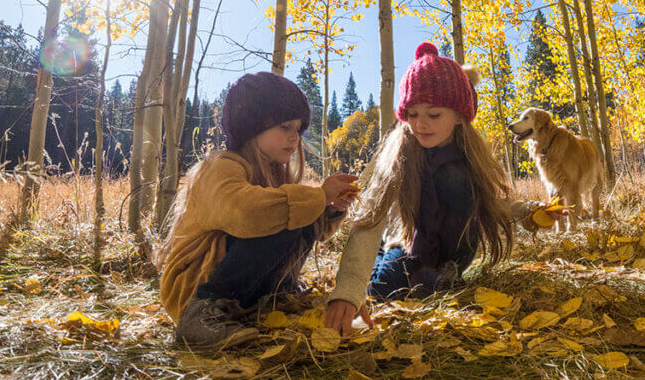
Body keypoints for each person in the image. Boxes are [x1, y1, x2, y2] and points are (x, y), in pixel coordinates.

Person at [324, 42, 538, 335]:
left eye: (433, 114)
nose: (421, 124)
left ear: (461, 115)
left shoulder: (470, 156)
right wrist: (349, 290)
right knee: (384, 289)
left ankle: (445, 274)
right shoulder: (397, 153)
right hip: (406, 243)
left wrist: (530, 213)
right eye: (412, 114)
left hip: (453, 254)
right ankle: (388, 265)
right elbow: (369, 220)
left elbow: (494, 202)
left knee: (456, 179)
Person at [159, 71, 359, 350]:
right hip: (194, 287)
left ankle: (275, 295)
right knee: (281, 214)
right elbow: (247, 213)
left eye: (299, 130)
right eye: (285, 127)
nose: (294, 138)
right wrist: (317, 196)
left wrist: (329, 207)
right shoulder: (220, 168)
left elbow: (310, 227)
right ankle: (202, 313)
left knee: (295, 213)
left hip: (244, 293)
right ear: (251, 127)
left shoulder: (276, 177)